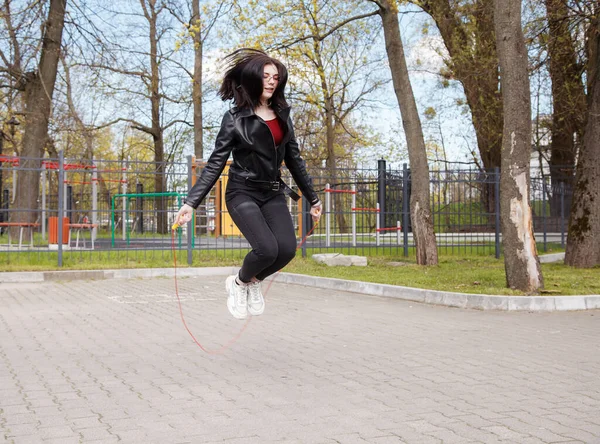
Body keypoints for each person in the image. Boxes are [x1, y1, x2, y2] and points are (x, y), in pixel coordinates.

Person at [174, 49, 322, 320]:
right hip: (242, 192)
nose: (271, 82)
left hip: (272, 192)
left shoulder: (283, 116)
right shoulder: (234, 119)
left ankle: (248, 283)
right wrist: (191, 203)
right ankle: (239, 282)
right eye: (265, 76)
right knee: (267, 248)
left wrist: (313, 198)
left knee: (286, 249)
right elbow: (215, 163)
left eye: (275, 77)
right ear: (254, 79)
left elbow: (295, 161)